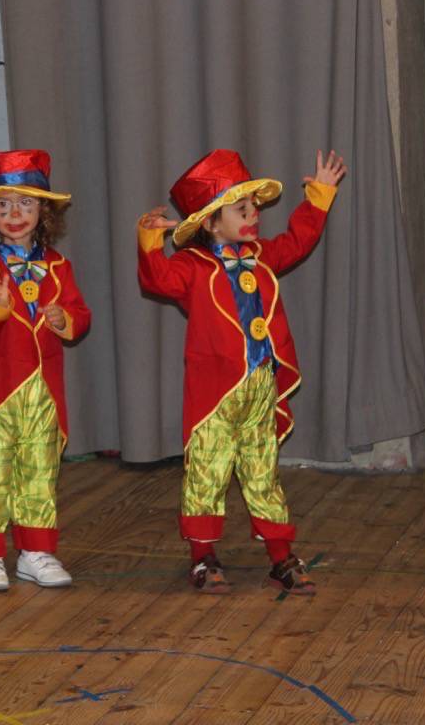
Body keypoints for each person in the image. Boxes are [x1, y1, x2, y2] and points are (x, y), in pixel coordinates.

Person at [136, 148, 346, 595]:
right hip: (215, 394)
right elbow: (158, 280)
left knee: (262, 471)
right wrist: (150, 243)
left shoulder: (261, 255)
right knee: (206, 474)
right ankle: (203, 557)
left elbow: (299, 238)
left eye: (254, 208)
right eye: (241, 209)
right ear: (211, 222)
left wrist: (320, 194)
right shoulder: (192, 267)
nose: (253, 216)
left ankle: (280, 556)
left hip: (260, 385)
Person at [0, 149, 91, 592]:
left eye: (26, 204)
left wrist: (64, 320)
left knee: (39, 468)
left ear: (43, 210)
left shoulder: (58, 266)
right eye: (3, 205)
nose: (15, 214)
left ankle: (35, 551)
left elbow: (80, 314)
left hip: (43, 389)